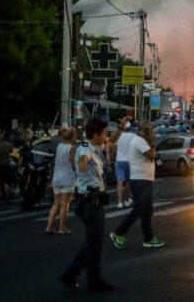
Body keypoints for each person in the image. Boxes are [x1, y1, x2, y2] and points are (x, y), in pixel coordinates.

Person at [58, 118, 115, 293]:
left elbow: (112, 142)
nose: (106, 137)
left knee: (92, 243)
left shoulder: (95, 148)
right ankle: (93, 281)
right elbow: (83, 158)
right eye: (104, 133)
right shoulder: (85, 149)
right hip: (90, 203)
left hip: (93, 202)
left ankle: (71, 274)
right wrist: (82, 163)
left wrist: (120, 128)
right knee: (94, 245)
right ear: (96, 134)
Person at [109, 121, 163, 250]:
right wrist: (154, 142)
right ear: (145, 131)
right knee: (139, 209)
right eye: (151, 130)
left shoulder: (142, 141)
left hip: (145, 179)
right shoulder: (138, 141)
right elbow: (151, 155)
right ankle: (119, 233)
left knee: (147, 210)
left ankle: (148, 238)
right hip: (140, 180)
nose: (153, 132)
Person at [46, 128, 78, 235]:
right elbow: (74, 164)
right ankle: (62, 228)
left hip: (57, 177)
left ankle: (49, 227)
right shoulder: (71, 148)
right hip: (67, 177)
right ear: (73, 137)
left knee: (56, 203)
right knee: (65, 204)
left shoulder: (60, 146)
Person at [113, 119, 135, 209]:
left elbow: (113, 149)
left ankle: (119, 202)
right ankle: (127, 200)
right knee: (128, 182)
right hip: (129, 161)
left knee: (119, 182)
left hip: (119, 160)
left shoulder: (118, 136)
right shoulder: (134, 136)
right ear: (130, 128)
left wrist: (112, 159)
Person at [0, 131, 14, 202]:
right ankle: (7, 197)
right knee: (6, 182)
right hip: (7, 165)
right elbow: (11, 151)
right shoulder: (8, 144)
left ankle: (0, 195)